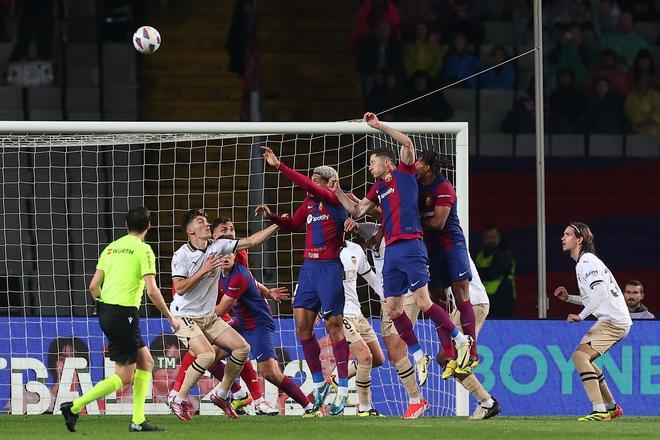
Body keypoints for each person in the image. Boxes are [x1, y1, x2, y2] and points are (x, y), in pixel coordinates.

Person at [329, 113, 473, 404]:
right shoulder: (379, 187)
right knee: (394, 309)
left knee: (424, 301)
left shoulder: (405, 172)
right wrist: (338, 193)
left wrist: (378, 126)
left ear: (388, 163)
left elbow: (407, 141)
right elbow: (357, 211)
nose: (369, 166)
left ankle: (460, 340)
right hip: (392, 249)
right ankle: (419, 355)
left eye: (373, 161)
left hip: (411, 244)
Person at [60, 206, 180, 432]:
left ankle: (138, 420)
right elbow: (152, 290)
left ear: (125, 225)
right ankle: (74, 406)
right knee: (124, 376)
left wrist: (103, 307)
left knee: (146, 362)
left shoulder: (111, 248)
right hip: (124, 313)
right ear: (149, 226)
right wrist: (170, 316)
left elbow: (93, 286)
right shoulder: (144, 250)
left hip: (107, 311)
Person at [255, 147, 351, 416]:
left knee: (334, 328)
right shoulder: (309, 203)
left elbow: (307, 184)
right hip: (308, 269)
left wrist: (279, 166)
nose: (310, 185)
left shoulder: (333, 200)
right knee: (303, 327)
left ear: (326, 183)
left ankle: (342, 389)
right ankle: (320, 383)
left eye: (315, 181)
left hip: (329, 269)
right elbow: (295, 224)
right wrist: (273, 217)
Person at [168, 209, 279, 421]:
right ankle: (179, 398)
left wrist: (277, 225)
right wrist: (204, 269)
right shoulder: (181, 255)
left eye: (207, 221)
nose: (206, 224)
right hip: (184, 317)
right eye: (201, 222)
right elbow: (180, 288)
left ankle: (221, 394)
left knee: (242, 348)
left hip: (208, 317)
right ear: (191, 230)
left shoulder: (218, 246)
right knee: (207, 355)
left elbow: (253, 241)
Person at [214, 251, 316, 416]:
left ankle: (309, 407)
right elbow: (253, 280)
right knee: (209, 356)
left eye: (229, 254)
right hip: (241, 323)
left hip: (259, 324)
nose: (225, 257)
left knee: (270, 373)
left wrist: (195, 316)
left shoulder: (237, 275)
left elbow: (221, 310)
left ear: (234, 256)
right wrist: (267, 292)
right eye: (221, 254)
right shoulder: (222, 272)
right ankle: (238, 394)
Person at [553, 222, 632, 421]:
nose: (563, 238)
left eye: (568, 234)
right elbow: (594, 298)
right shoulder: (585, 262)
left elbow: (600, 294)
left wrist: (581, 316)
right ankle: (611, 407)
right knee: (584, 359)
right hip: (614, 320)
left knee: (580, 358)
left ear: (579, 239)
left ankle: (600, 410)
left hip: (612, 321)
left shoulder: (586, 262)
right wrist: (569, 298)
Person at [355, 221, 429, 419]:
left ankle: (416, 399)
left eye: (371, 239)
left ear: (379, 233)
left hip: (405, 295)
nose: (369, 244)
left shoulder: (392, 241)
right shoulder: (375, 246)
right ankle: (416, 399)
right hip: (387, 299)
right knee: (393, 355)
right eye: (367, 241)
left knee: (397, 349)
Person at [415, 150, 478, 377]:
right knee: (438, 301)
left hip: (452, 248)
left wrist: (411, 222)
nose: (414, 164)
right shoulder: (415, 187)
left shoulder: (443, 188)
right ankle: (449, 353)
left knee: (462, 298)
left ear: (428, 167)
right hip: (430, 252)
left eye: (419, 161)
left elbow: (439, 222)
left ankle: (471, 354)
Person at [326, 232, 386, 417]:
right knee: (365, 358)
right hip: (339, 315)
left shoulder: (355, 250)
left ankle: (338, 376)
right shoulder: (322, 251)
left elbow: (371, 277)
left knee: (378, 359)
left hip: (358, 314)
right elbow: (309, 278)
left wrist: (387, 297)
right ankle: (365, 408)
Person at [439, 255, 500, 420]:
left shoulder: (449, 244)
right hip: (467, 304)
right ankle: (486, 402)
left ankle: (487, 402)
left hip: (472, 304)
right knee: (445, 358)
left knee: (450, 358)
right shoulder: (442, 244)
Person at [474, 225, 515, 318]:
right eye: (487, 237)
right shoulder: (479, 255)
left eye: (493, 237)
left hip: (502, 297)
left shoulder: (505, 254)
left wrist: (480, 272)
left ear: (499, 238)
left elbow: (493, 273)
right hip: (483, 298)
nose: (490, 241)